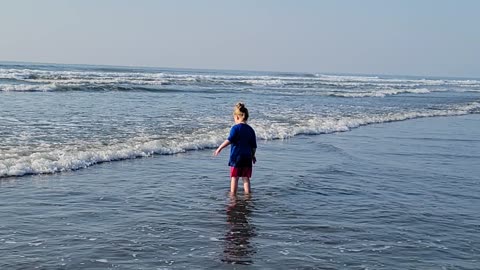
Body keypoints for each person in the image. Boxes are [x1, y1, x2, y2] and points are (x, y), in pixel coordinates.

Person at [214, 102, 257, 195]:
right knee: (246, 178)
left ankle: (233, 195)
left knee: (234, 177)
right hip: (247, 157)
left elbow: (229, 140)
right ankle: (248, 195)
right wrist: (253, 156)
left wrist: (220, 148)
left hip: (236, 157)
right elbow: (253, 146)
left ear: (237, 117)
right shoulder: (251, 130)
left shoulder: (235, 128)